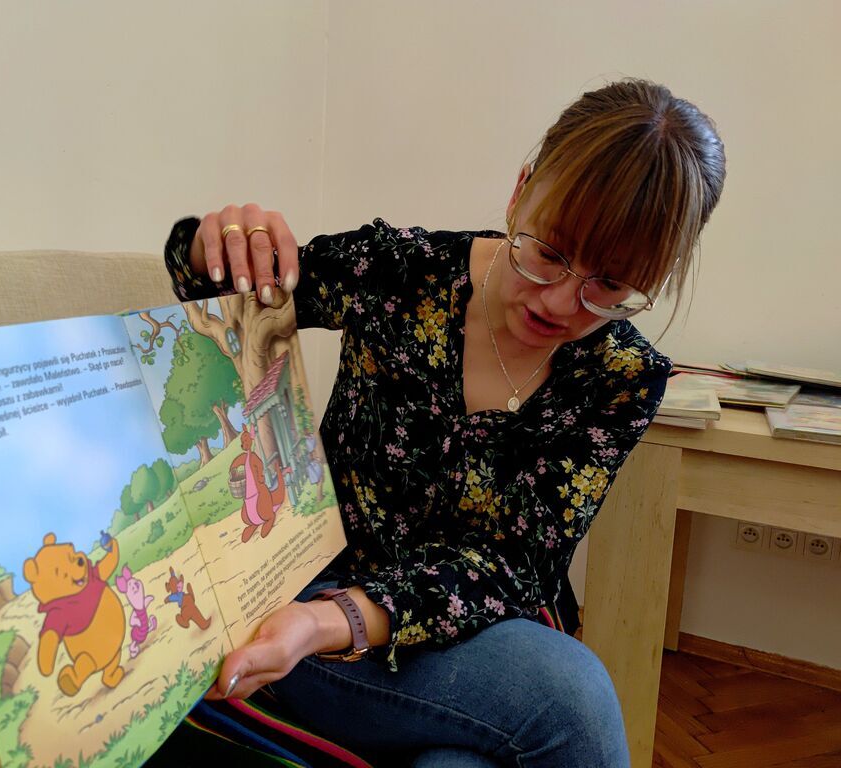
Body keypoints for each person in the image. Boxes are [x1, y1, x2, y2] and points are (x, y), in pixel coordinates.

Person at [163, 78, 726, 767]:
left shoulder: (623, 376)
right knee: (573, 700)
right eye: (549, 252)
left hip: (469, 629)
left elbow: (511, 565)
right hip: (309, 606)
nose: (559, 302)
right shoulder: (400, 272)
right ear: (521, 191)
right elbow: (225, 300)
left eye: (610, 286)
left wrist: (331, 622)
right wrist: (216, 247)